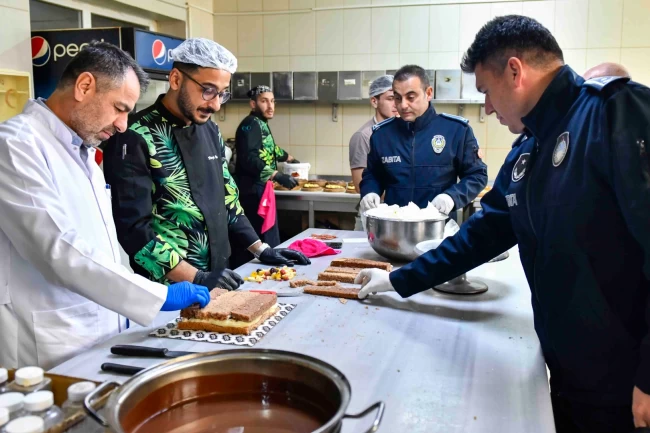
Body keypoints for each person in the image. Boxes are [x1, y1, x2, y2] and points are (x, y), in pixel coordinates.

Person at [355, 15, 650, 432]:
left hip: (628, 384)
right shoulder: (527, 151)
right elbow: (479, 237)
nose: (488, 107)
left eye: (486, 92)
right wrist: (397, 280)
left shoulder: (613, 114)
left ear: (515, 71)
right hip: (569, 374)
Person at [0, 42, 210, 370]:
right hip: (52, 337)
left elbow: (102, 245)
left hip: (102, 327)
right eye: (119, 108)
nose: (123, 124)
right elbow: (58, 248)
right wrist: (156, 295)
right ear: (85, 86)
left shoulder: (82, 150)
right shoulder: (15, 145)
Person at [103, 38, 309, 291]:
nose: (215, 104)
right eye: (208, 90)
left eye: (222, 93)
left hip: (219, 273)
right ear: (176, 79)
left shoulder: (210, 130)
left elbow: (228, 198)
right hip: (170, 289)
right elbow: (133, 229)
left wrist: (261, 249)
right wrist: (195, 277)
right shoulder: (133, 136)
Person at [359, 65, 488, 219]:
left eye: (410, 97)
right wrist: (370, 191)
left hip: (438, 227)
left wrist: (452, 197)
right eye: (397, 98)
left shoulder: (456, 131)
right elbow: (372, 174)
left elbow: (477, 175)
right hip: (395, 227)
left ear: (428, 93)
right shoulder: (382, 135)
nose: (403, 105)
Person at [233, 85, 300, 266]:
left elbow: (269, 148)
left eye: (272, 101)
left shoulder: (261, 123)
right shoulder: (250, 125)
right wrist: (276, 174)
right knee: (259, 238)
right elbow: (249, 157)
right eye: (264, 101)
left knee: (267, 236)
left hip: (261, 189)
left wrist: (288, 157)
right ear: (253, 104)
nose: (270, 106)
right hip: (251, 191)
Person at [349, 75, 397, 230]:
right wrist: (401, 193)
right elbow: (360, 184)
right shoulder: (363, 136)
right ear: (374, 101)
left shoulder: (402, 132)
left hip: (398, 215)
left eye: (398, 98)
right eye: (390, 98)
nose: (396, 104)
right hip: (374, 218)